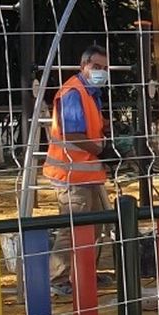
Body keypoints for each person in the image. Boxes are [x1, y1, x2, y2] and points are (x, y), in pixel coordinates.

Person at [42, 45, 113, 298]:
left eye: (104, 68)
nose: (101, 72)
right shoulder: (74, 92)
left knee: (93, 226)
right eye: (96, 67)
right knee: (73, 228)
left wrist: (105, 129)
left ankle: (84, 273)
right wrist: (100, 150)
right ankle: (58, 278)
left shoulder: (91, 92)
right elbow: (72, 133)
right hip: (71, 174)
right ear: (83, 66)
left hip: (87, 172)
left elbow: (90, 125)